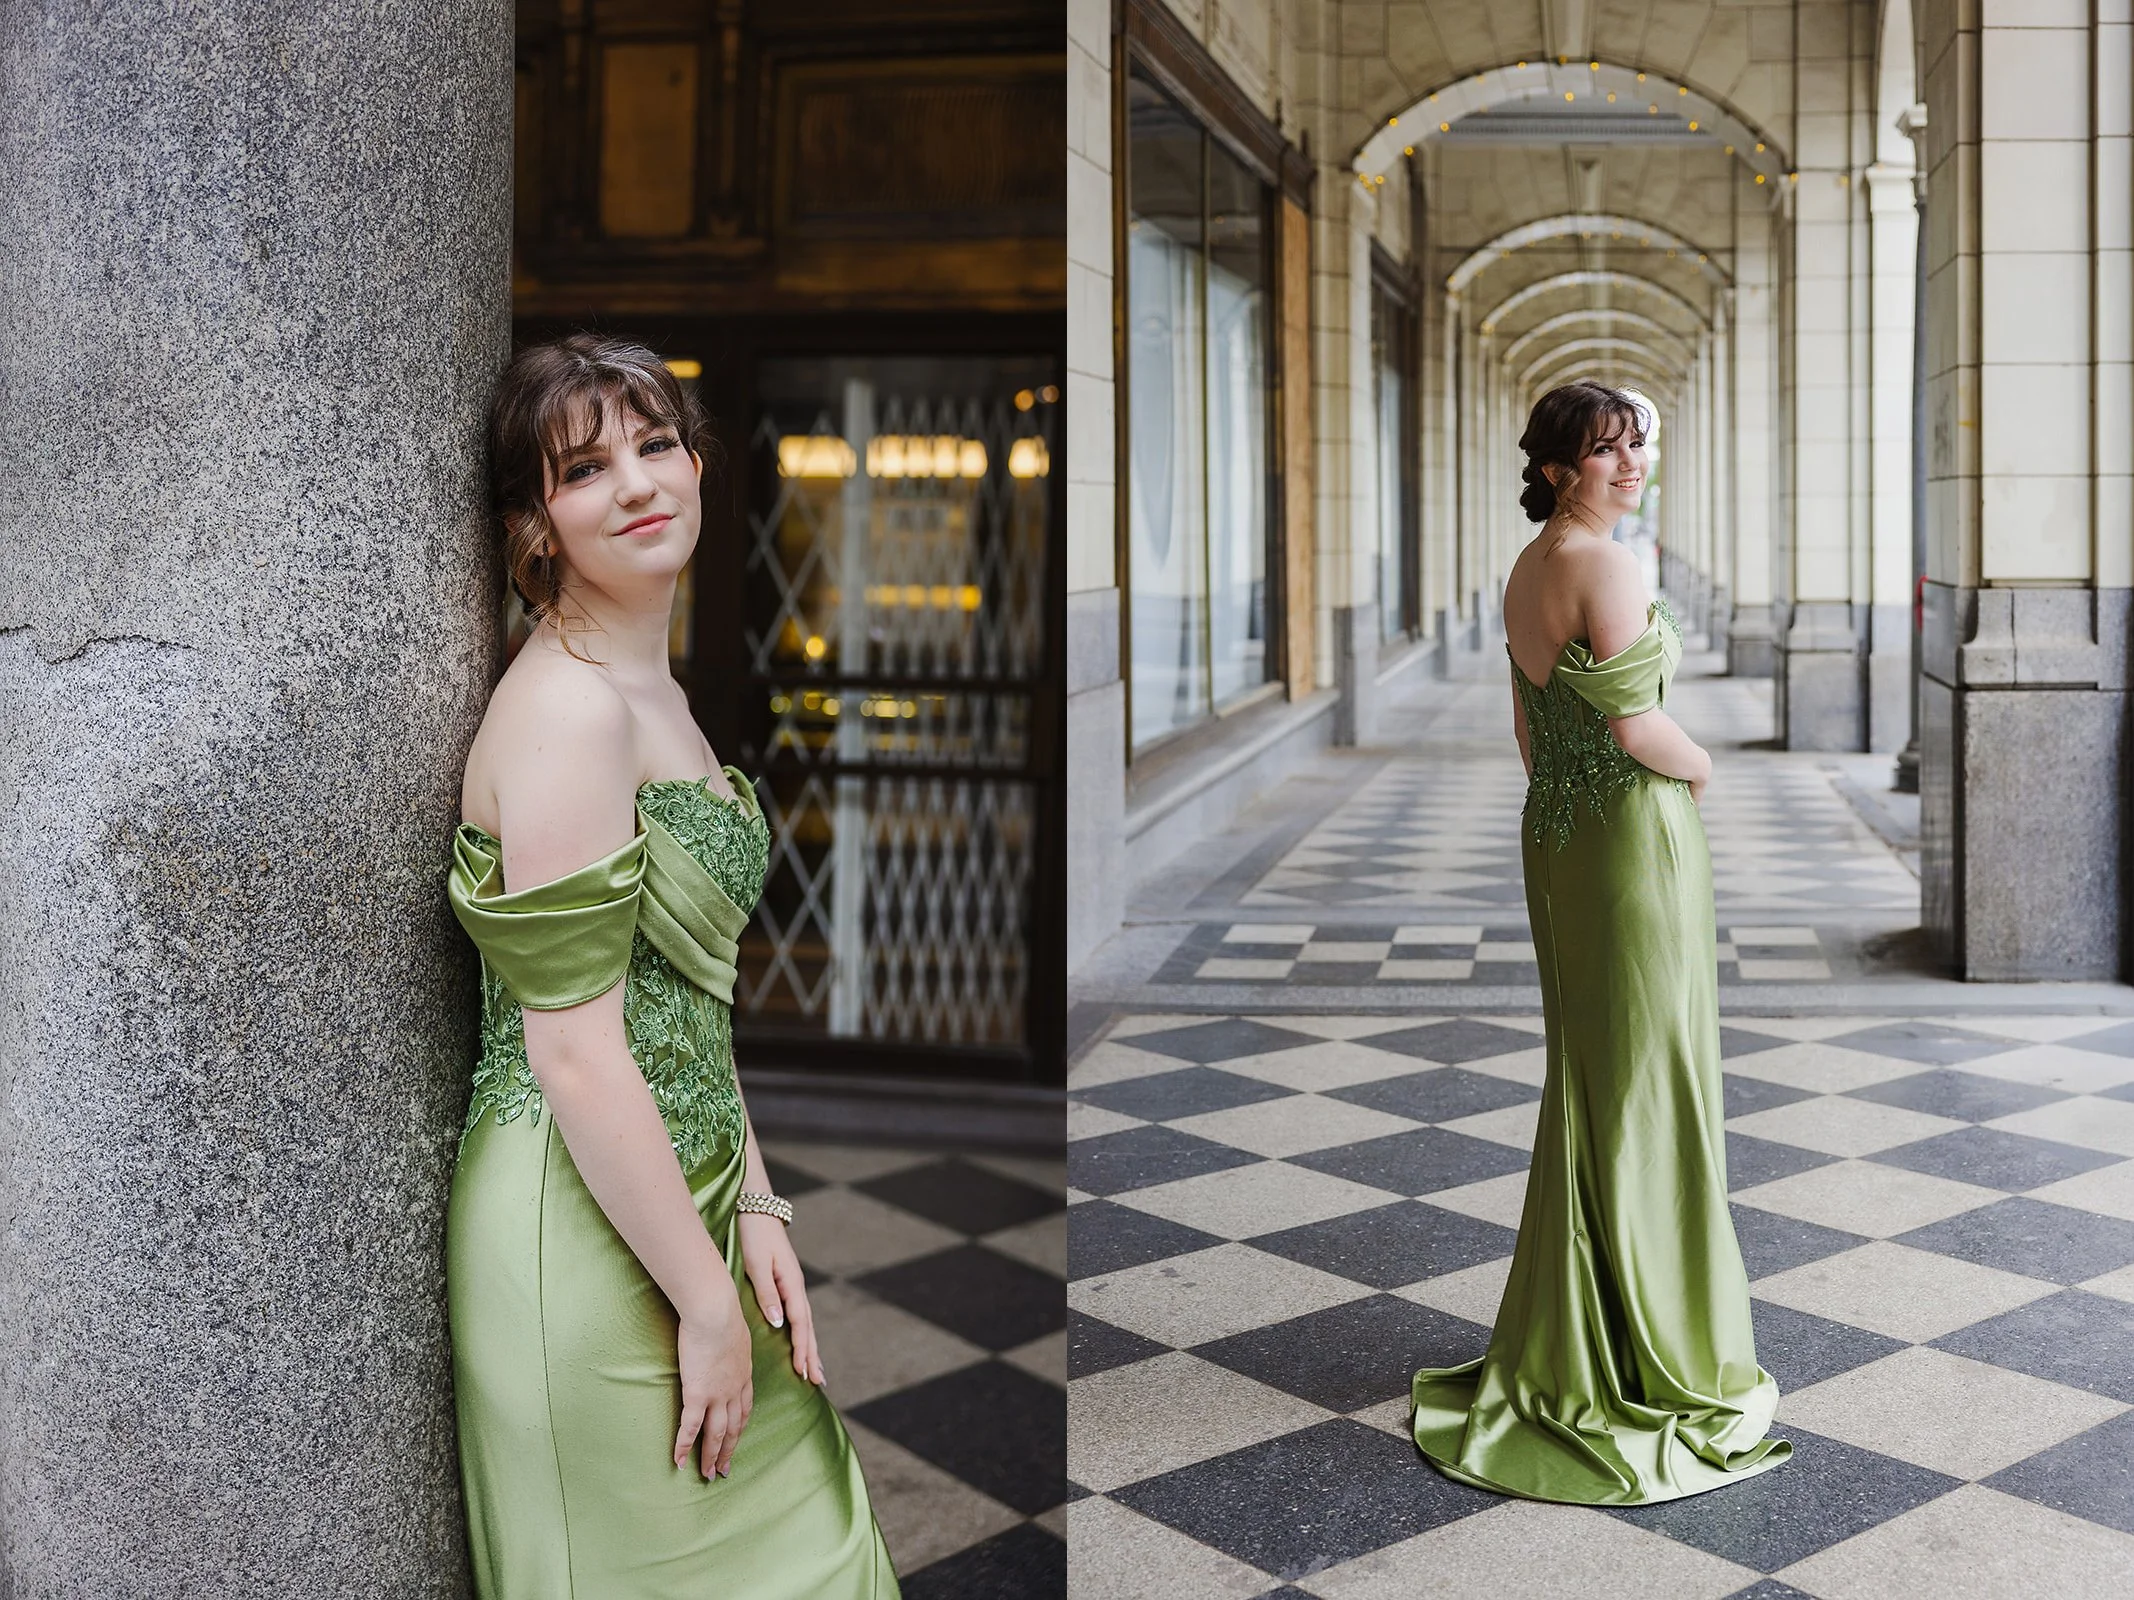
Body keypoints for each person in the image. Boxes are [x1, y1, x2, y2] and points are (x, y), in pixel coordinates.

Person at [444, 333, 899, 1594]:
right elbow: (578, 1051)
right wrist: (704, 1306)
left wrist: (751, 1195)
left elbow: (685, 1004)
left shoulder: (655, 689)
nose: (638, 483)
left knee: (817, 1536)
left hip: (681, 1188)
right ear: (538, 523)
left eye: (655, 445)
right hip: (578, 1226)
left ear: (700, 464)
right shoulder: (569, 710)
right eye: (585, 469)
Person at [1410, 379, 1789, 1504]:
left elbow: (1530, 731)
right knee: (1649, 1075)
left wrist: (1581, 800)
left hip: (1564, 838)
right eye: (1608, 451)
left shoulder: (1529, 566)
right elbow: (1637, 726)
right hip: (1630, 833)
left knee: (1594, 1074)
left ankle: (1587, 1324)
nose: (1630, 466)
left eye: (1635, 447)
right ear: (1560, 465)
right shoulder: (1606, 565)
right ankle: (1646, 1346)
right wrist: (1703, 767)